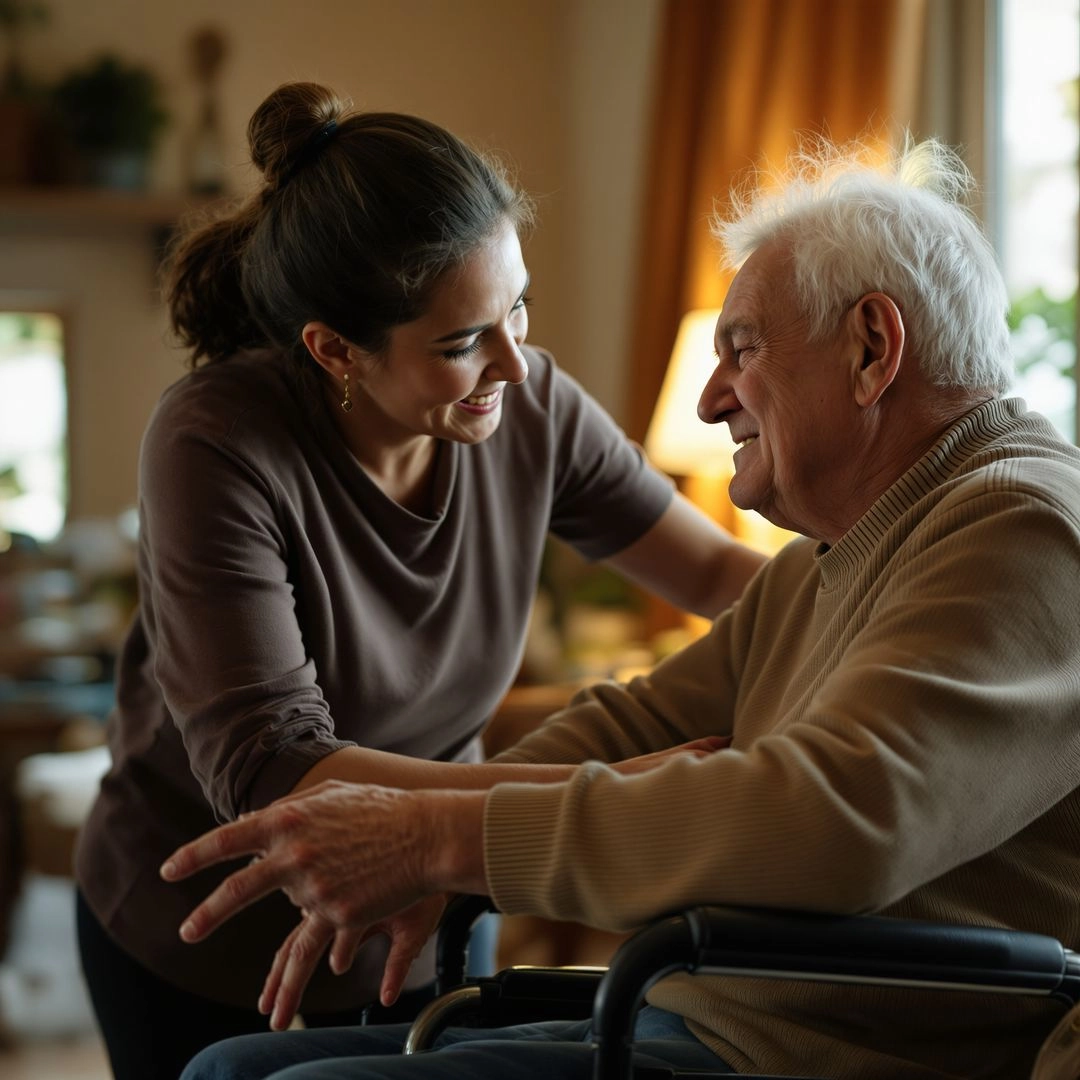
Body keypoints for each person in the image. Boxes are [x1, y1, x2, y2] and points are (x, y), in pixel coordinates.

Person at [166, 132, 1080, 1080]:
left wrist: (443, 840)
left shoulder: (1024, 528)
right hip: (704, 1017)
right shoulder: (840, 549)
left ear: (871, 347)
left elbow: (837, 817)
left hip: (810, 1055)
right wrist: (429, 853)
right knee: (233, 1069)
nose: (711, 400)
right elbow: (635, 722)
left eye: (743, 348)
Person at [72, 81, 768, 1080]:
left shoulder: (531, 411)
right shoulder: (217, 440)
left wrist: (887, 603)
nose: (515, 367)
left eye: (516, 308)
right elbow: (277, 771)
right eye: (460, 343)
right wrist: (594, 800)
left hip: (429, 906)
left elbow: (716, 571)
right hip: (199, 940)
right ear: (334, 350)